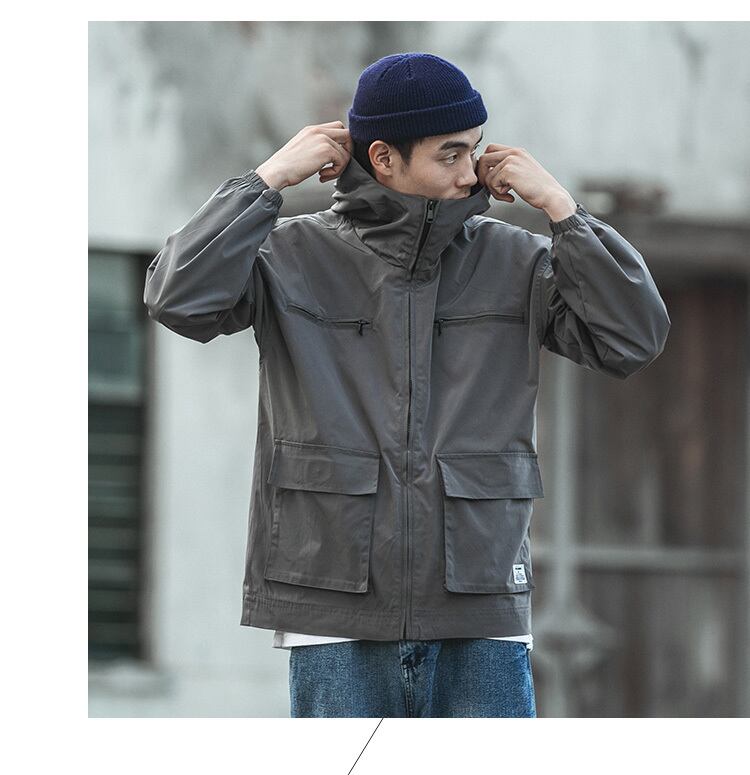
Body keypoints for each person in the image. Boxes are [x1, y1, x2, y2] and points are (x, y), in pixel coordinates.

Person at [144, 52, 670, 718]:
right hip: (335, 609)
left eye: (474, 149)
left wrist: (565, 213)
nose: (472, 172)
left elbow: (633, 338)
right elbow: (177, 298)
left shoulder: (516, 260)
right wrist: (265, 181)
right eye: (451, 154)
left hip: (479, 608)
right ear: (385, 159)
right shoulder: (288, 255)